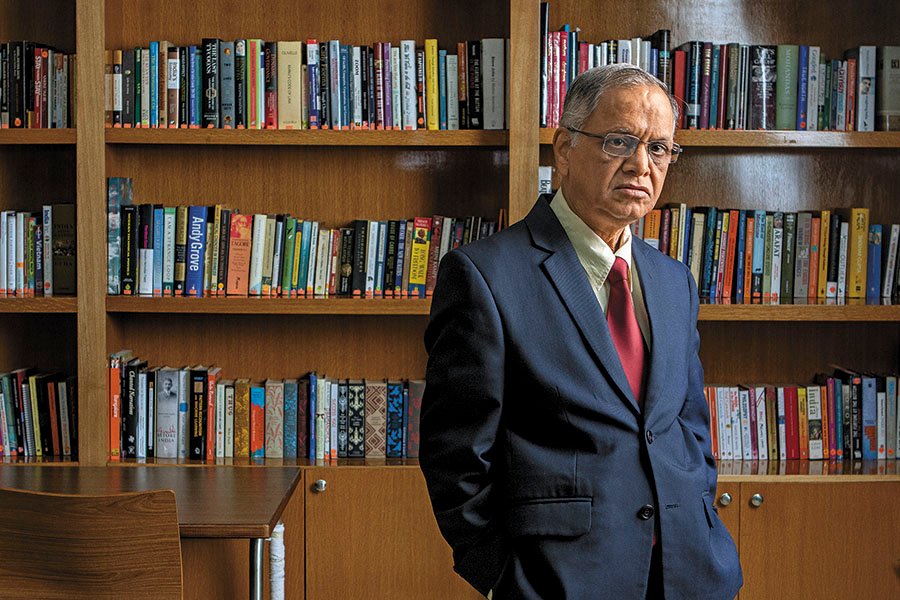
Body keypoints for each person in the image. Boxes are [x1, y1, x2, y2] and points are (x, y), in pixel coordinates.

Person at [419, 64, 742, 599]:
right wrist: (505, 577)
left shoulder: (673, 281)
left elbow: (688, 429)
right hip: (561, 581)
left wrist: (701, 516)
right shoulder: (485, 277)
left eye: (660, 149)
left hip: (691, 574)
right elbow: (455, 459)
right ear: (563, 149)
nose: (642, 165)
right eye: (620, 142)